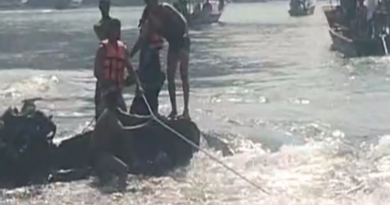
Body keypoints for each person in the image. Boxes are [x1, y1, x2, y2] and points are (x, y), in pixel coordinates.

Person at [130, 0, 191, 119]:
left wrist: (184, 36)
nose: (151, 5)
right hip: (173, 43)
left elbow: (183, 21)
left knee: (184, 75)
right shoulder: (150, 17)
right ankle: (174, 110)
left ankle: (186, 110)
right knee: (170, 76)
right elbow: (142, 38)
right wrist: (130, 54)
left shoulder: (165, 8)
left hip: (182, 41)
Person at [90, 88, 152, 189]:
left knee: (111, 176)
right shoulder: (109, 117)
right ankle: (121, 190)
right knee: (123, 169)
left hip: (107, 152)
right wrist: (145, 125)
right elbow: (125, 130)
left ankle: (115, 185)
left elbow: (129, 117)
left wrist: (148, 118)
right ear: (115, 102)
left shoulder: (114, 111)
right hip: (101, 155)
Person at [94, 19, 143, 119]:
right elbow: (97, 70)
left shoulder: (122, 48)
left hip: (117, 90)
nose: (116, 32)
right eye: (114, 29)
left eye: (118, 30)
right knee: (103, 114)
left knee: (123, 111)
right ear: (109, 31)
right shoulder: (103, 48)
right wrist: (106, 83)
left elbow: (130, 68)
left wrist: (138, 85)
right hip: (105, 90)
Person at [129, 22, 165, 115]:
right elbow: (137, 45)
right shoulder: (146, 45)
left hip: (149, 78)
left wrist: (136, 74)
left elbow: (146, 62)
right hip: (150, 77)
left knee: (146, 97)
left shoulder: (148, 48)